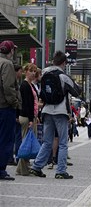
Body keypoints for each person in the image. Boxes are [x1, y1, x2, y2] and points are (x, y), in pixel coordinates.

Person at [29, 50, 81, 180]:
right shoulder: (63, 76)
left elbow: (41, 92)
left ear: (53, 60)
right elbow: (76, 92)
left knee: (47, 142)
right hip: (60, 111)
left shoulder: (45, 73)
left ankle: (36, 167)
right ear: (64, 63)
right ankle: (61, 171)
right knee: (63, 142)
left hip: (46, 111)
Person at [0, 40, 21, 181]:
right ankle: (1, 169)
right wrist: (14, 102)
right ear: (11, 51)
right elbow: (8, 87)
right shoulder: (6, 64)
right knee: (5, 139)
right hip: (5, 107)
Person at [16, 63, 39, 176]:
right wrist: (31, 119)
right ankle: (22, 169)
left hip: (30, 116)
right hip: (26, 117)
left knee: (27, 142)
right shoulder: (25, 85)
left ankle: (22, 168)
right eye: (31, 71)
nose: (33, 73)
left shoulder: (30, 85)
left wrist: (35, 116)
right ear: (26, 72)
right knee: (26, 143)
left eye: (34, 71)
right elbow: (27, 104)